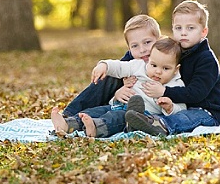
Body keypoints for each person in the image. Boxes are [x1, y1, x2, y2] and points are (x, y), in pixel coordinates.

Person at [125, 0, 220, 136]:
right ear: (173, 29)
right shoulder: (175, 52)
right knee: (174, 114)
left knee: (184, 118)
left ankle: (157, 125)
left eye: (190, 28)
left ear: (203, 32)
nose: (183, 33)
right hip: (179, 107)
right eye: (178, 28)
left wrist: (164, 91)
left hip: (206, 111)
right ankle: (140, 123)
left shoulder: (206, 59)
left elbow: (196, 93)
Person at [51, 36, 186, 137]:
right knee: (95, 111)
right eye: (154, 65)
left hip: (140, 115)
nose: (158, 71)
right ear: (149, 59)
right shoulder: (139, 66)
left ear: (176, 69)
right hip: (116, 105)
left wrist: (169, 107)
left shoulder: (175, 85)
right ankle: (68, 124)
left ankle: (95, 129)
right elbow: (119, 66)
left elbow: (182, 108)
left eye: (166, 68)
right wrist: (104, 65)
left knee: (116, 119)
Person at [61, 14, 160, 118]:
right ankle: (70, 114)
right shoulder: (135, 57)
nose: (142, 49)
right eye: (135, 46)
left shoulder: (168, 55)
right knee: (109, 75)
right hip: (122, 99)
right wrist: (105, 66)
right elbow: (117, 67)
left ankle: (90, 118)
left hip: (148, 105)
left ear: (159, 40)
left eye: (147, 42)